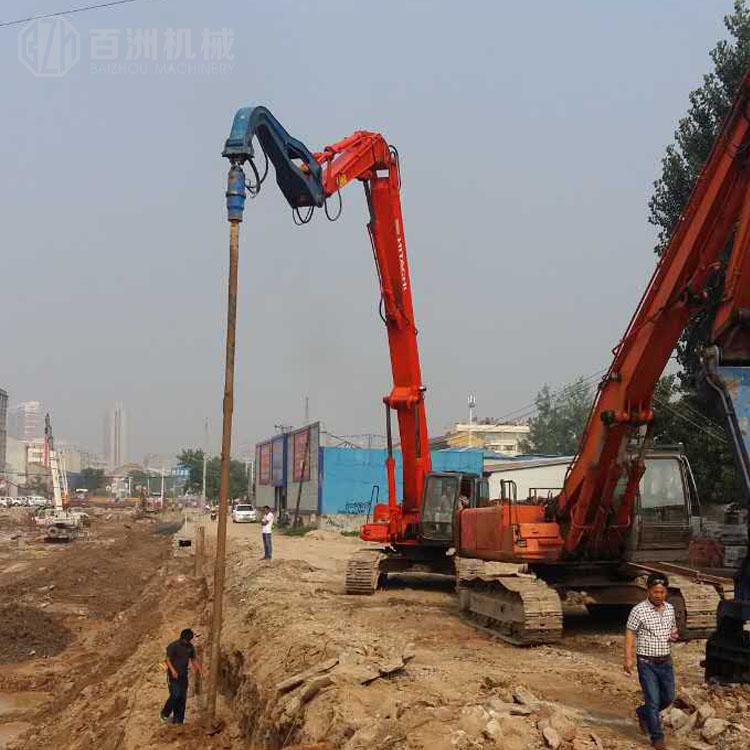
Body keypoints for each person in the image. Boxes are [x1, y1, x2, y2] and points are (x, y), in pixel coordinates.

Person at [624, 573, 678, 750]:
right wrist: (628, 658)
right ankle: (657, 738)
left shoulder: (670, 609)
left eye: (662, 592)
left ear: (666, 592)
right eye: (655, 592)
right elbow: (630, 632)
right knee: (653, 700)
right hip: (647, 662)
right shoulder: (639, 610)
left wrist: (673, 634)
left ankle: (642, 712)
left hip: (665, 661)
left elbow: (672, 628)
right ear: (648, 591)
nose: (659, 595)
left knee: (668, 697)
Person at [160, 628, 201, 725]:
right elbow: (167, 660)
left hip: (183, 676)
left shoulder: (190, 647)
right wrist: (173, 671)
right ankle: (165, 713)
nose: (187, 642)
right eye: (186, 640)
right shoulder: (173, 646)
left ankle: (179, 721)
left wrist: (199, 669)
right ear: (182, 638)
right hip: (173, 676)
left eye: (189, 641)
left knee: (182, 698)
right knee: (175, 695)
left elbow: (193, 659)